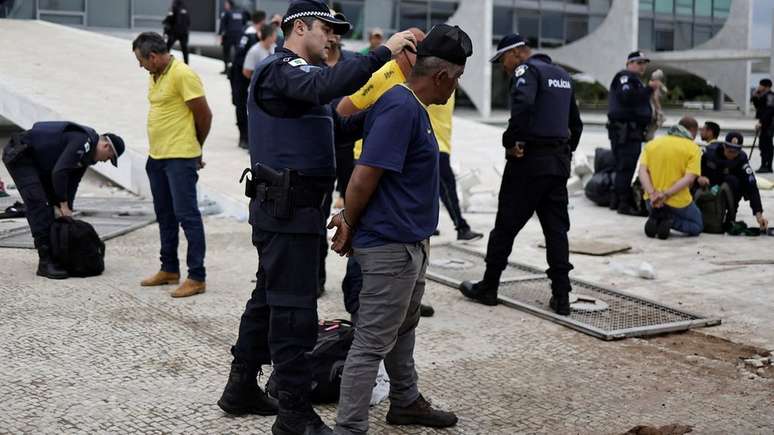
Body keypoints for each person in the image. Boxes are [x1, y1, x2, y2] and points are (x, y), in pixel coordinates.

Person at [216, 0, 416, 433]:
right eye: (327, 30)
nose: (333, 38)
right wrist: (384, 53)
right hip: (286, 215)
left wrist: (385, 110)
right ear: (299, 27)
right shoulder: (280, 71)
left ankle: (240, 387)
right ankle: (293, 415)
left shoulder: (303, 85)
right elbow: (325, 87)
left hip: (294, 214)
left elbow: (337, 127)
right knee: (294, 312)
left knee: (268, 299)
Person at [327, 23, 470, 435]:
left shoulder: (411, 108)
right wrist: (349, 221)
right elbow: (363, 176)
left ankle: (405, 400)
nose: (455, 88)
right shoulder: (400, 107)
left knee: (403, 329)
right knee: (371, 342)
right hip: (391, 249)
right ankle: (350, 428)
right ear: (441, 75)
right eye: (456, 79)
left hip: (410, 245)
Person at [459, 33, 583, 316]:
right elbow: (576, 125)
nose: (504, 67)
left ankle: (489, 287)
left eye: (503, 59)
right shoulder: (563, 76)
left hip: (529, 163)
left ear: (516, 53)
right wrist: (565, 153)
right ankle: (561, 296)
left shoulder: (527, 70)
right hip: (557, 165)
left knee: (505, 226)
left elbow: (524, 106)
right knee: (556, 231)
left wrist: (512, 141)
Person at [338, 29, 483, 242]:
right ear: (403, 53)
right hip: (388, 246)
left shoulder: (420, 95)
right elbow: (344, 114)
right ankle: (461, 226)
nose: (424, 55)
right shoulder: (397, 97)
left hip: (406, 239)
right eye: (419, 50)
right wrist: (348, 222)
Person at [131, 32, 212, 298]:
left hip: (180, 157)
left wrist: (196, 148)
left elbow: (204, 115)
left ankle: (197, 276)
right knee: (165, 215)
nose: (140, 65)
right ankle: (169, 268)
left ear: (153, 57)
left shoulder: (182, 74)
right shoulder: (155, 75)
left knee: (187, 216)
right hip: (157, 157)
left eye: (141, 60)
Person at [2, 121, 124, 279]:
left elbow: (72, 183)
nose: (105, 161)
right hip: (21, 155)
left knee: (53, 202)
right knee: (39, 203)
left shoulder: (86, 155)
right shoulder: (83, 142)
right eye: (108, 158)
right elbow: (60, 172)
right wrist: (63, 204)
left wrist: (67, 211)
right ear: (106, 147)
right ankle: (45, 262)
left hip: (39, 162)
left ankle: (56, 254)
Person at [607, 50, 663, 215]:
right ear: (629, 64)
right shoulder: (624, 77)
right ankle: (623, 204)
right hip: (625, 131)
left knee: (625, 166)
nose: (642, 66)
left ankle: (616, 201)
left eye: (644, 63)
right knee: (626, 166)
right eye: (638, 63)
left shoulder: (635, 80)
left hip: (631, 131)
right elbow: (628, 97)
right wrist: (649, 89)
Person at [639, 117, 704, 240]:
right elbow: (689, 179)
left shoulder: (652, 144)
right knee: (697, 225)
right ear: (692, 131)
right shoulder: (693, 148)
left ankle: (657, 217)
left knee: (656, 208)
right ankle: (669, 220)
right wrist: (665, 194)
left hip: (651, 202)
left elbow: (642, 171)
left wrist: (652, 194)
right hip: (678, 202)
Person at [697, 131, 768, 231]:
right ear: (724, 146)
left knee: (733, 181)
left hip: (729, 190)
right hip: (709, 187)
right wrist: (699, 177)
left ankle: (731, 216)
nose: (731, 154)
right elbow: (694, 171)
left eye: (735, 152)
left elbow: (752, 187)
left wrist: (759, 215)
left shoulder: (741, 159)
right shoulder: (709, 154)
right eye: (729, 151)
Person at [230, 11, 267, 149]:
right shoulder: (248, 35)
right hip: (241, 77)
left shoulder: (254, 35)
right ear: (261, 22)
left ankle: (250, 136)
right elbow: (239, 58)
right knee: (241, 106)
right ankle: (243, 137)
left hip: (249, 76)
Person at [750, 78, 774, 173]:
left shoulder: (770, 96)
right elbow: (759, 108)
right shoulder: (763, 95)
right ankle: (765, 164)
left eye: (761, 85)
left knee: (766, 144)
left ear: (766, 86)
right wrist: (755, 97)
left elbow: (770, 111)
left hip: (769, 124)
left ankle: (766, 165)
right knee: (763, 144)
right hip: (764, 122)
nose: (759, 87)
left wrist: (761, 122)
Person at [218, 0, 248, 74]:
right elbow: (244, 22)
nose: (225, 6)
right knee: (238, 52)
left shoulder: (227, 13)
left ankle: (226, 69)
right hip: (239, 35)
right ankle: (236, 69)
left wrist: (220, 34)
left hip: (228, 35)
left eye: (226, 4)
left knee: (226, 52)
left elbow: (223, 25)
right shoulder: (241, 12)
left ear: (229, 5)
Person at [163, 0, 191, 64]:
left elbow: (169, 18)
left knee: (167, 47)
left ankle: (164, 62)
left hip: (174, 32)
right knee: (185, 49)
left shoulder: (174, 5)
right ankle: (186, 64)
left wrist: (165, 22)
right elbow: (189, 21)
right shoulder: (185, 6)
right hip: (184, 32)